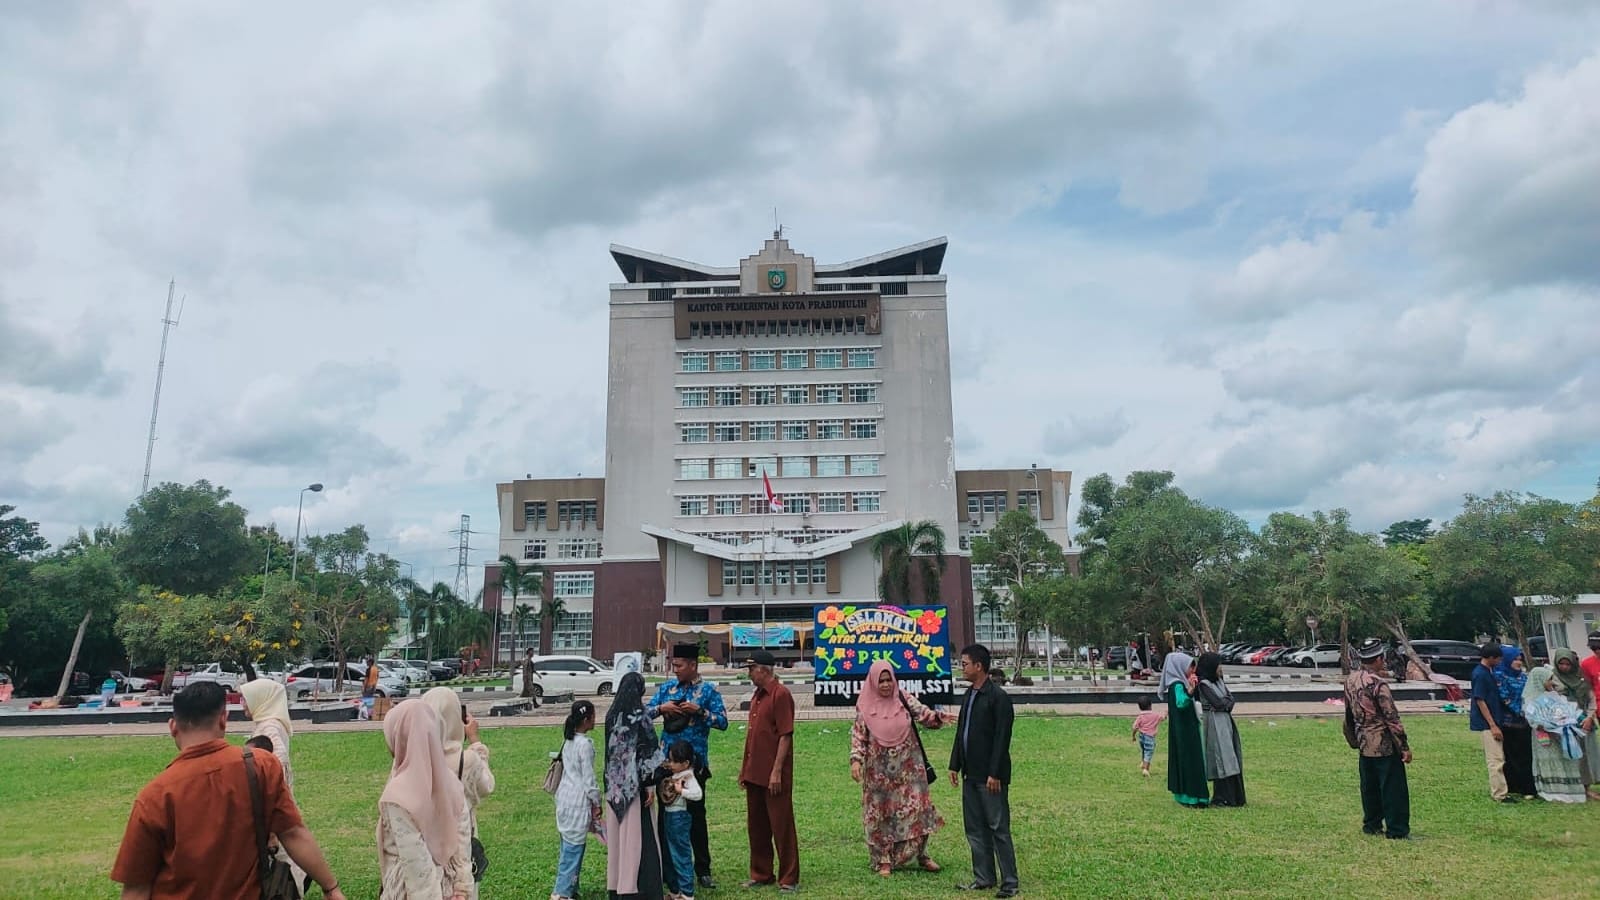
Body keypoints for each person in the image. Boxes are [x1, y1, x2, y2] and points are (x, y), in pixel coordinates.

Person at [111, 681, 346, 900]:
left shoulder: (155, 796)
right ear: (223, 719)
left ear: (173, 727)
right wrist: (331, 888)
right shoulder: (261, 766)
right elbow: (293, 832)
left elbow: (136, 886)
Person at [849, 660, 945, 878]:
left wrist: (939, 718)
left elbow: (924, 715)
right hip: (879, 772)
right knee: (882, 814)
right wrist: (856, 760)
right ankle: (884, 859)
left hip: (910, 769)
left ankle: (921, 854)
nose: (885, 685)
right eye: (880, 681)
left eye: (888, 680)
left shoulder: (903, 698)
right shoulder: (864, 705)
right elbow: (858, 735)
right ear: (873, 681)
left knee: (917, 810)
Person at [646, 643, 728, 891]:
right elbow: (643, 713)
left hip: (694, 767)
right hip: (665, 766)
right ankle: (667, 868)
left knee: (695, 817)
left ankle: (702, 869)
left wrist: (700, 711)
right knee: (665, 818)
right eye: (674, 665)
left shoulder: (708, 692)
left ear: (693, 665)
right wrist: (662, 709)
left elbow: (723, 722)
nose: (676, 670)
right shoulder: (666, 689)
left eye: (680, 665)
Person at [379, 700, 472, 900]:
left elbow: (416, 864)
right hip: (451, 887)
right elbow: (462, 843)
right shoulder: (450, 784)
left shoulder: (398, 794)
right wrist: (462, 889)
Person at [948, 643, 1018, 898]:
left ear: (979, 666)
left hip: (990, 777)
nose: (962, 667)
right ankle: (984, 877)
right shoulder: (970, 695)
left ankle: (1009, 882)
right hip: (970, 774)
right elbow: (961, 732)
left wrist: (995, 773)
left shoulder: (998, 698)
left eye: (965, 663)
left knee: (998, 828)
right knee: (975, 829)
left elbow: (1002, 738)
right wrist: (955, 764)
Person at [421, 687, 494, 900]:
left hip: (425, 841)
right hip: (460, 839)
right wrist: (475, 741)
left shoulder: (414, 757)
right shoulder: (467, 760)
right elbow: (487, 785)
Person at [738, 650, 799, 893]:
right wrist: (745, 770)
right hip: (755, 771)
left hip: (774, 774)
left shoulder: (780, 694)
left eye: (752, 669)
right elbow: (752, 737)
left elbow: (786, 735)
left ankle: (788, 877)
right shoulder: (757, 697)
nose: (750, 674)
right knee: (757, 826)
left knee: (781, 825)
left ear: (763, 669)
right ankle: (761, 873)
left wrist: (776, 771)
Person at [240, 677, 307, 891]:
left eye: (245, 699)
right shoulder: (268, 724)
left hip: (272, 809)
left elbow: (277, 768)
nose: (242, 703)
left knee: (279, 862)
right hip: (274, 808)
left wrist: (271, 830)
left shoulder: (269, 728)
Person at [606, 671, 666, 899]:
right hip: (635, 790)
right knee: (639, 843)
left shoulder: (612, 715)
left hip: (613, 789)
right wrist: (650, 784)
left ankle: (616, 888)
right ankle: (637, 890)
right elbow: (650, 753)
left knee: (618, 843)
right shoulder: (640, 716)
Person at [1344, 638, 1411, 839]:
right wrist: (1404, 746)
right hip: (1384, 744)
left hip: (1364, 742)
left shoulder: (1351, 681)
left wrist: (1353, 739)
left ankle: (1372, 824)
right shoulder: (1378, 685)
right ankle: (1397, 829)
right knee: (1392, 788)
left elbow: (1348, 714)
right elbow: (1391, 717)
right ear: (1379, 659)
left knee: (1369, 786)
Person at [553, 700, 601, 900]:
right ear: (587, 719)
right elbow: (589, 779)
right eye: (593, 716)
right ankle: (561, 893)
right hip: (578, 801)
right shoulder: (585, 745)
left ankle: (572, 887)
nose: (595, 720)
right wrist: (597, 802)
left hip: (564, 798)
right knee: (573, 851)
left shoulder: (568, 740)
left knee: (568, 844)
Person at [1521, 665, 1589, 803]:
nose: (1551, 683)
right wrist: (1548, 724)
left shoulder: (1553, 696)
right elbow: (1532, 719)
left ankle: (1568, 790)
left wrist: (1565, 721)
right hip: (1544, 738)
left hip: (1559, 736)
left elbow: (1565, 710)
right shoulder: (1531, 698)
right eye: (1549, 679)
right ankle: (1551, 790)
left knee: (1563, 760)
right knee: (1549, 760)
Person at [1195, 652, 1246, 807]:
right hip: (1214, 723)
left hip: (1225, 722)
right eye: (1218, 665)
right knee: (1220, 757)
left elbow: (1230, 701)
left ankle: (1235, 796)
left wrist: (1225, 703)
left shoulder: (1218, 682)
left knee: (1231, 755)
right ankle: (1223, 797)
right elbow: (1218, 703)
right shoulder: (1203, 684)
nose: (1220, 668)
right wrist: (1225, 703)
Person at [1159, 651, 1208, 809]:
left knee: (1185, 760)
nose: (1192, 671)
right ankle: (1194, 796)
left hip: (1182, 730)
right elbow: (1181, 703)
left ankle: (1187, 796)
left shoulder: (1177, 684)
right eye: (1190, 667)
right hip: (1186, 731)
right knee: (1191, 761)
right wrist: (1191, 690)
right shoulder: (1177, 685)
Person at [1551, 648, 1600, 800]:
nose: (1565, 667)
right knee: (1571, 756)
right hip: (1566, 723)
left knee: (1588, 755)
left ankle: (1586, 787)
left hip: (1584, 721)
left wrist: (1589, 717)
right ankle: (1572, 788)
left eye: (1568, 664)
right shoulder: (1553, 678)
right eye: (1562, 664)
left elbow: (1591, 699)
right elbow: (1551, 701)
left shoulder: (1581, 677)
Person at [659, 741, 704, 900]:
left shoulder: (688, 776)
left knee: (681, 855)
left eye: (673, 761)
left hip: (679, 818)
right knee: (671, 854)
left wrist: (682, 791)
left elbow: (698, 794)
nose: (670, 764)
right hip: (669, 816)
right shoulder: (676, 773)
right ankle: (675, 890)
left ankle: (687, 893)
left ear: (685, 763)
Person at [1469, 643, 1511, 802]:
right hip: (1488, 723)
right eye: (1499, 658)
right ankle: (1499, 794)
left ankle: (1502, 790)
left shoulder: (1489, 672)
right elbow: (1480, 700)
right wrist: (1492, 725)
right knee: (1495, 759)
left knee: (1499, 757)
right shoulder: (1480, 674)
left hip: (1495, 720)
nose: (1500, 661)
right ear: (1492, 658)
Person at [1493, 646, 1536, 798]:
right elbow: (1504, 697)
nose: (1518, 662)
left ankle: (1527, 787)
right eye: (1515, 659)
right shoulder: (1500, 676)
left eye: (1519, 659)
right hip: (1508, 723)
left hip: (1525, 722)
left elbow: (1530, 693)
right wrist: (1520, 710)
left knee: (1526, 756)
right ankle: (1514, 786)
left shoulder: (1523, 677)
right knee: (1511, 757)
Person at [1131, 695, 1165, 777]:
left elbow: (1135, 727)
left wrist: (1133, 736)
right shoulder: (1155, 715)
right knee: (1148, 753)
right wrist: (1166, 712)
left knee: (1144, 751)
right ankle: (1146, 769)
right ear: (1150, 705)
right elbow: (1163, 718)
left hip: (1141, 737)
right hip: (1150, 737)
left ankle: (1143, 762)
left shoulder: (1140, 717)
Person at [361, 656, 381, 721]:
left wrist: (364, 688)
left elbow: (366, 679)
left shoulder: (368, 670)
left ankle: (367, 715)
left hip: (368, 687)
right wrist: (375, 686)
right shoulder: (376, 669)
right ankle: (370, 714)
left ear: (370, 662)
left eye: (367, 662)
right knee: (370, 701)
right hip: (373, 687)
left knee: (366, 700)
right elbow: (377, 678)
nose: (366, 663)